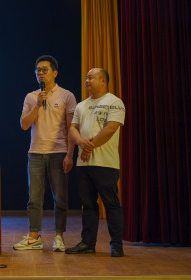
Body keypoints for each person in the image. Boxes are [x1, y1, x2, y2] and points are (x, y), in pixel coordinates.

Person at [13, 55, 77, 252]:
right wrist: (37, 105)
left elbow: (71, 128)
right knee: (34, 198)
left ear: (55, 72)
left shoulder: (67, 96)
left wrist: (70, 155)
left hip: (59, 152)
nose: (40, 73)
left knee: (60, 198)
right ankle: (34, 237)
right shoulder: (31, 97)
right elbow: (24, 125)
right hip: (36, 153)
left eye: (44, 70)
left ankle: (59, 237)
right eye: (38, 70)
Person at [65, 68, 126, 257]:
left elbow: (111, 128)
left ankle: (117, 245)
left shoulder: (114, 102)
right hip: (84, 165)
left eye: (91, 77)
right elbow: (73, 128)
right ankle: (88, 243)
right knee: (88, 205)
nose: (87, 80)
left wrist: (89, 147)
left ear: (103, 81)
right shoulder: (81, 105)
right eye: (86, 78)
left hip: (106, 163)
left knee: (111, 204)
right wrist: (81, 143)